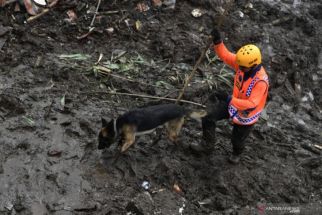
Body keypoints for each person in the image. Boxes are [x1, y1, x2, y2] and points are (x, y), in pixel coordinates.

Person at [191, 28, 269, 164]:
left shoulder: (260, 81)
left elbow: (252, 103)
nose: (239, 68)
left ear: (253, 65)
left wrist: (228, 98)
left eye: (243, 67)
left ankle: (237, 153)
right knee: (209, 117)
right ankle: (207, 145)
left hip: (246, 114)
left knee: (237, 140)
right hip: (233, 103)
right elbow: (226, 56)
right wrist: (218, 42)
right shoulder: (243, 64)